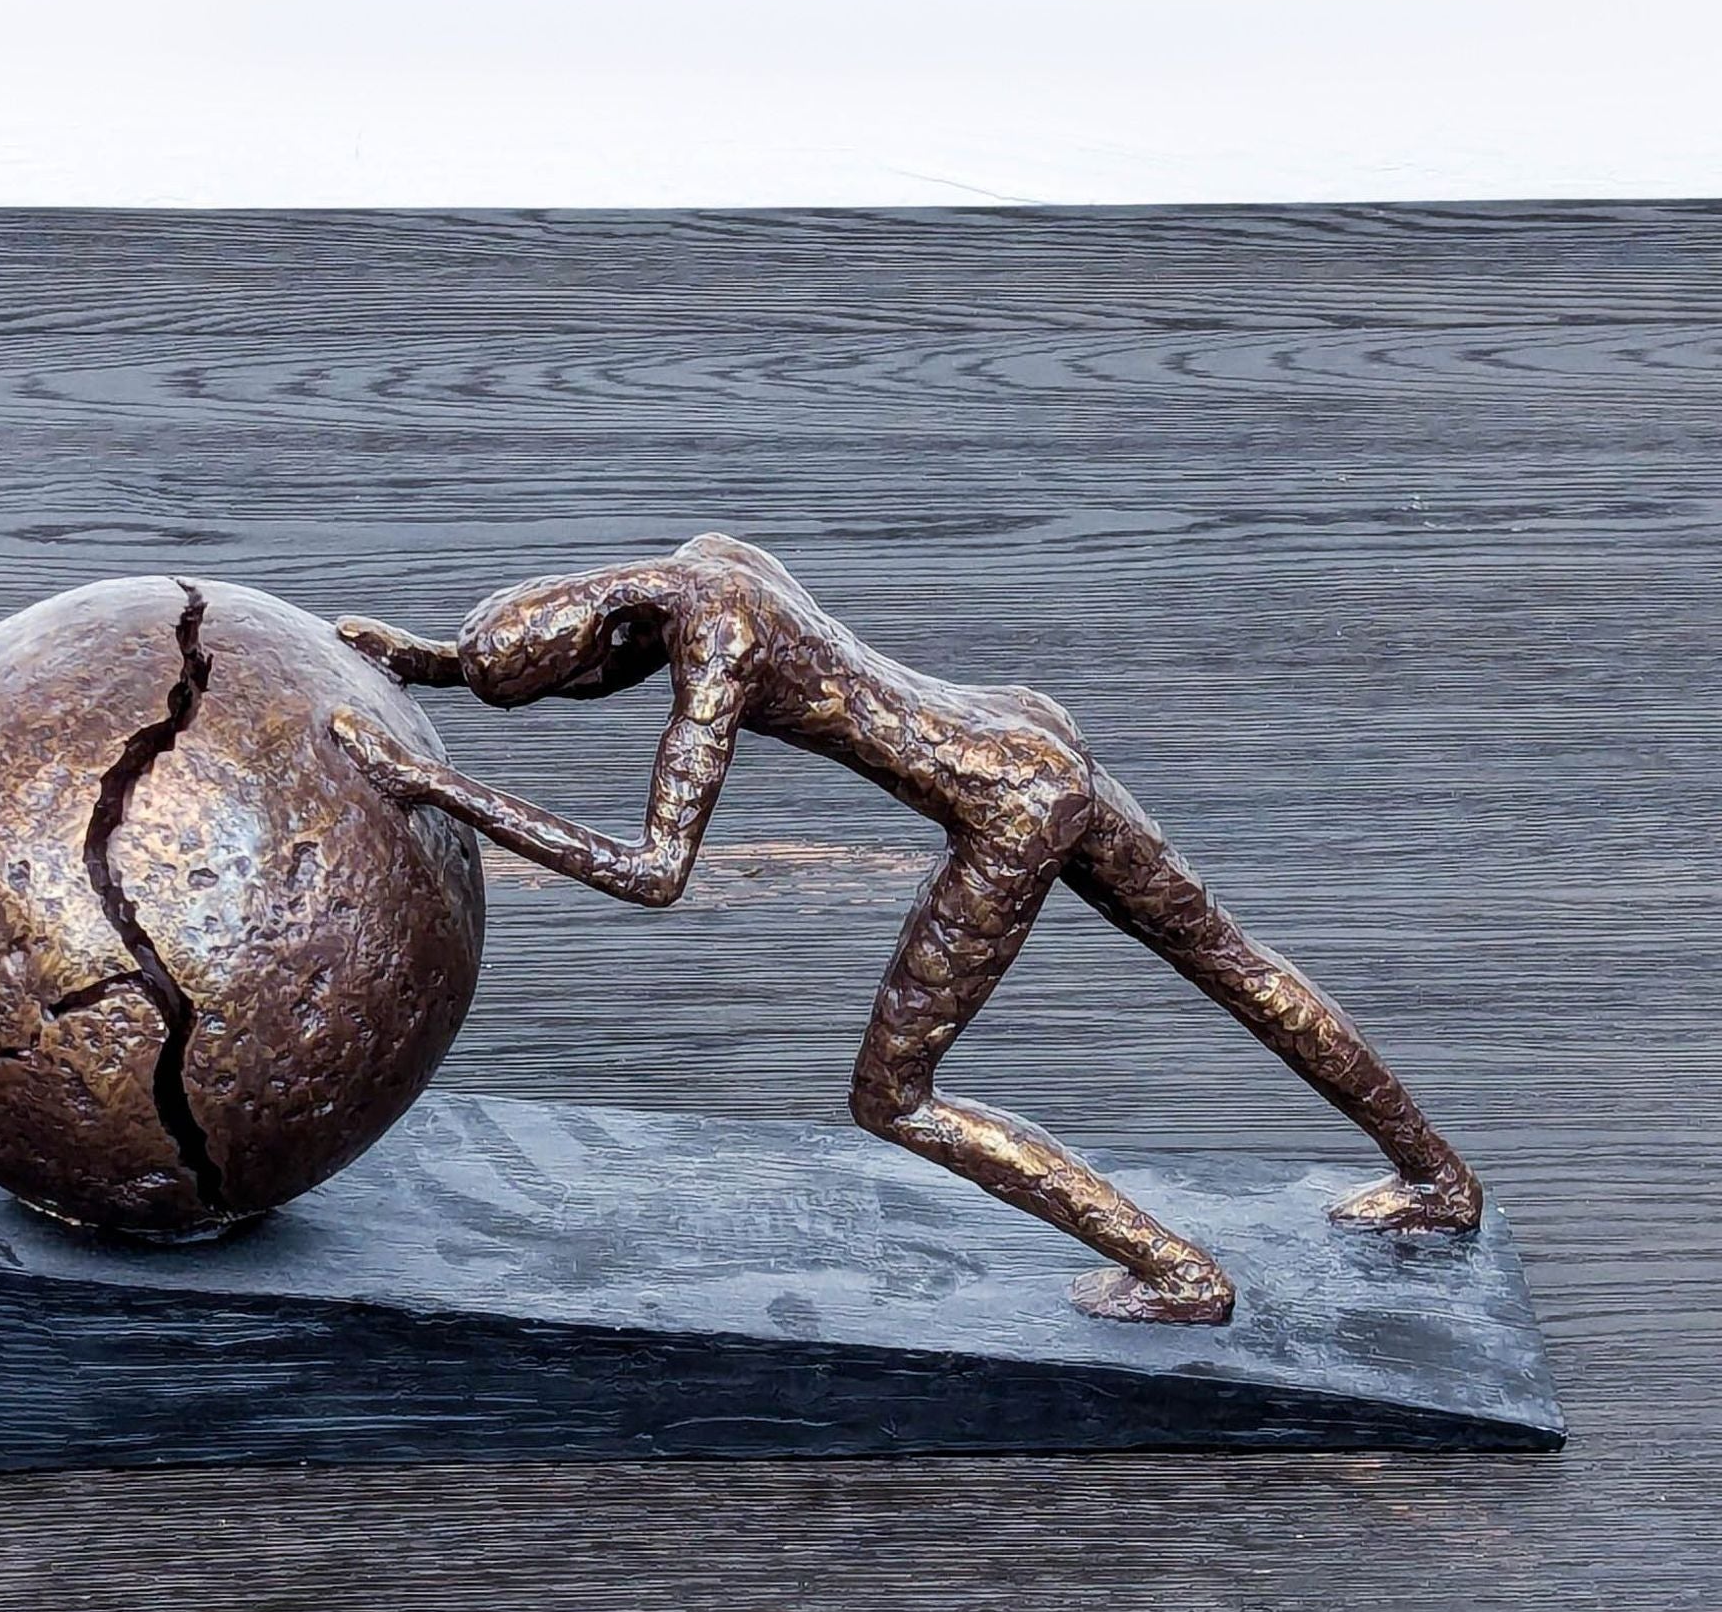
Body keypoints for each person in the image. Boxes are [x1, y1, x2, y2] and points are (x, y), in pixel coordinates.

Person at [330, 533, 1481, 1323]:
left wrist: (433, 785)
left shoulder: (716, 651)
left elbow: (652, 872)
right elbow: (599, 653)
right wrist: (431, 663)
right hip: (1026, 735)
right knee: (1230, 960)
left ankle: (1178, 1272)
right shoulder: (701, 565)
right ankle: (1438, 1179)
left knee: (893, 1098)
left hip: (1006, 807)